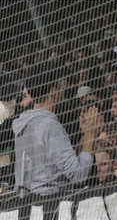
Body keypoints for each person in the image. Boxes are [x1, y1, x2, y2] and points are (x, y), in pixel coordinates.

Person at [11, 68, 103, 196]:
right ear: (54, 91)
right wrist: (90, 135)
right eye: (61, 88)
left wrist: (83, 138)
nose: (64, 93)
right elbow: (78, 175)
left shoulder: (25, 124)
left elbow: (56, 166)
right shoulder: (49, 125)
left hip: (27, 206)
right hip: (48, 204)